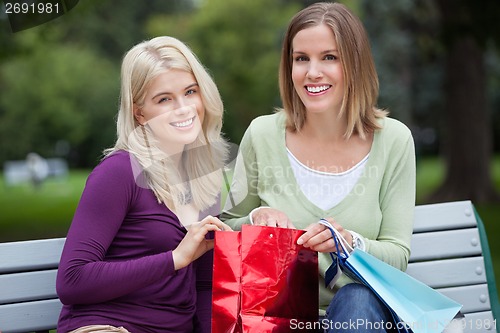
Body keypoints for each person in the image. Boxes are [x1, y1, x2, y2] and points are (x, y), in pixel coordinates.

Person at [222, 2, 416, 332]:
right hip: (277, 317)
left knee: (358, 298)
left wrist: (349, 243)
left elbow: (398, 257)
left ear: (354, 64)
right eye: (301, 59)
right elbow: (226, 231)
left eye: (329, 57)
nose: (313, 72)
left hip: (362, 319)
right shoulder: (262, 135)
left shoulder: (395, 140)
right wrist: (255, 220)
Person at [56, 36, 231, 333]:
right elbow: (72, 281)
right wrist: (175, 258)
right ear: (139, 113)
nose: (184, 108)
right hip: (108, 326)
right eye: (164, 99)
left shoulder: (203, 181)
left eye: (190, 92)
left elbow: (203, 287)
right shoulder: (119, 173)